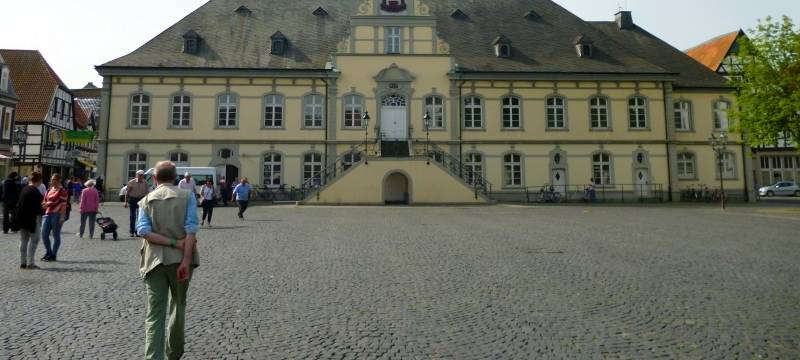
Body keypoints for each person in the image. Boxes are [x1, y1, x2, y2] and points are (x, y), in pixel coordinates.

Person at [135, 161, 199, 360]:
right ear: (176, 177)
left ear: (154, 179)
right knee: (178, 305)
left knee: (154, 313)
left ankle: (153, 357)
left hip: (154, 261)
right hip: (181, 260)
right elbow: (191, 229)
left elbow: (143, 231)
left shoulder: (146, 200)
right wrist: (185, 259)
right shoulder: (187, 196)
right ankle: (174, 352)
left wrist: (171, 242)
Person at [14, 172, 45, 269]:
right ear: (39, 181)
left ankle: (23, 262)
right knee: (35, 240)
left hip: (22, 218)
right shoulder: (35, 191)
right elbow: (37, 208)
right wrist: (44, 207)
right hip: (31, 219)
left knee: (23, 240)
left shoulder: (25, 189)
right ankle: (30, 263)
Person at [41, 174, 68, 262]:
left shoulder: (62, 191)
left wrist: (62, 217)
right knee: (44, 234)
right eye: (52, 179)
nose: (52, 181)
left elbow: (64, 205)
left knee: (56, 235)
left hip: (57, 214)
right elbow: (44, 200)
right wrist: (44, 204)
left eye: (54, 179)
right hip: (47, 213)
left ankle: (54, 254)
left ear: (59, 180)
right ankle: (48, 252)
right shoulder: (49, 189)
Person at [125, 170, 150, 237]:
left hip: (141, 200)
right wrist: (125, 202)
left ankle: (137, 231)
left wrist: (148, 202)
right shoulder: (131, 182)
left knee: (140, 217)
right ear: (136, 175)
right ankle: (132, 231)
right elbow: (127, 193)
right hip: (133, 199)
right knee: (132, 216)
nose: (140, 176)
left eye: (142, 175)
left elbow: (147, 193)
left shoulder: (145, 183)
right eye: (139, 175)